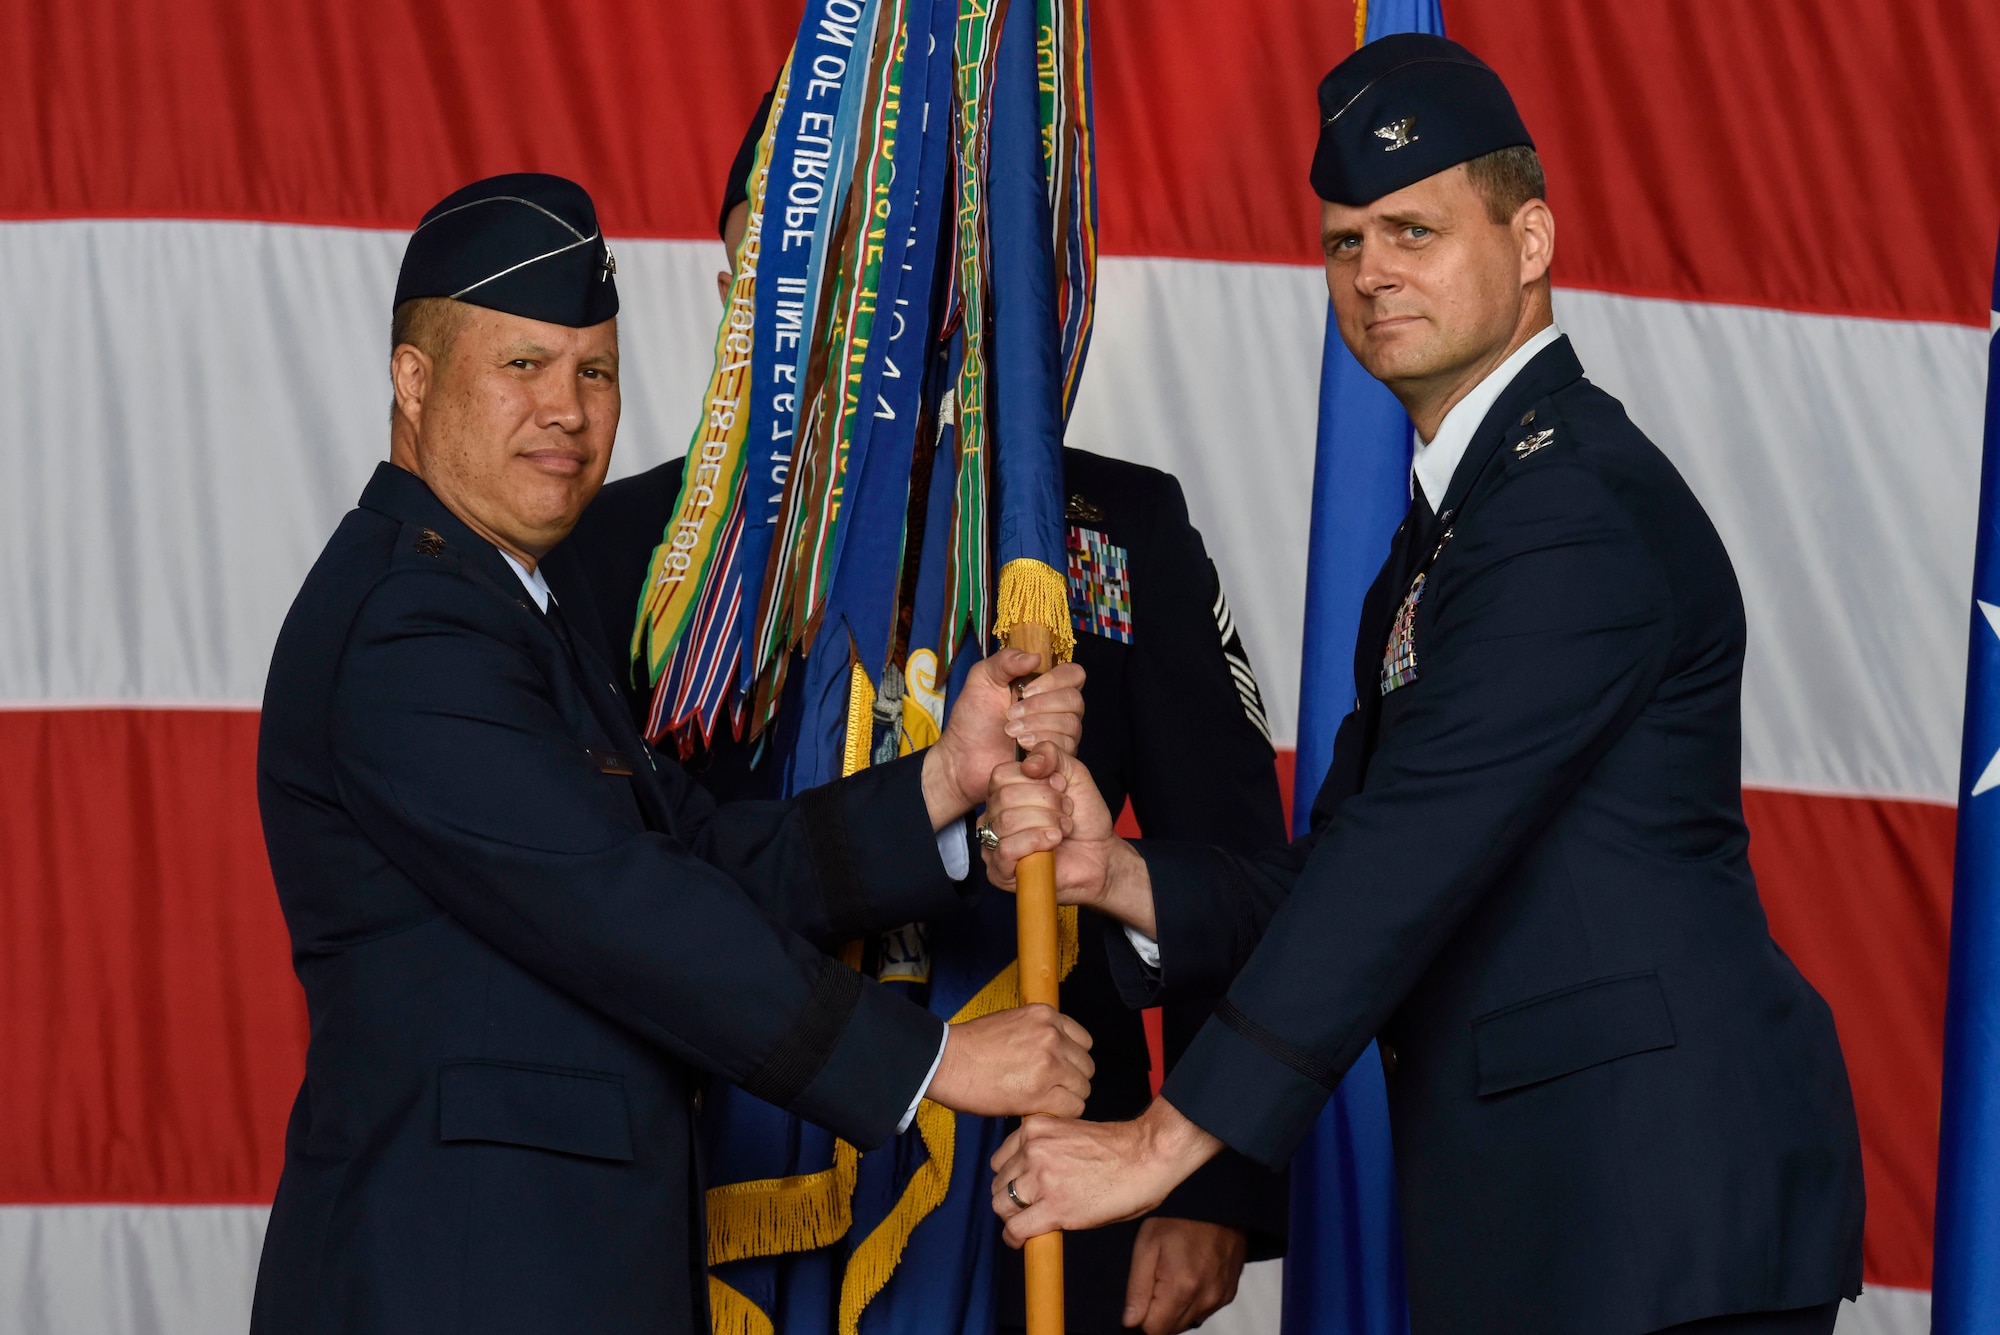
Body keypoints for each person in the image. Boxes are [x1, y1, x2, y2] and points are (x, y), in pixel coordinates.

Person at [979, 34, 1865, 1335]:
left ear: (1533, 239)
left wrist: (1158, 1143)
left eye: (1415, 230)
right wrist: (1114, 871)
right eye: (1345, 243)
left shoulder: (1568, 512)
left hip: (1651, 1216)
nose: (1374, 273)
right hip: (1574, 1220)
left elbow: (1401, 859)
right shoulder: (1462, 523)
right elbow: (1336, 860)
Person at [251, 172, 1097, 1335]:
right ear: (413, 379)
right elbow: (620, 905)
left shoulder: (515, 601)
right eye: (522, 365)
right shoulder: (410, 623)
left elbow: (693, 850)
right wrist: (931, 1064)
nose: (567, 408)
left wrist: (944, 781)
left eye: (593, 370)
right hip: (457, 1276)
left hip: (556, 1266)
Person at [550, 98, 1289, 1335]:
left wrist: (1211, 1178)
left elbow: (1243, 871)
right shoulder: (626, 550)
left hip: (1037, 1192)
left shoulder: (1097, 531)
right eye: (761, 271)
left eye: (833, 265)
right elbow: (603, 891)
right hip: (714, 1187)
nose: (789, 308)